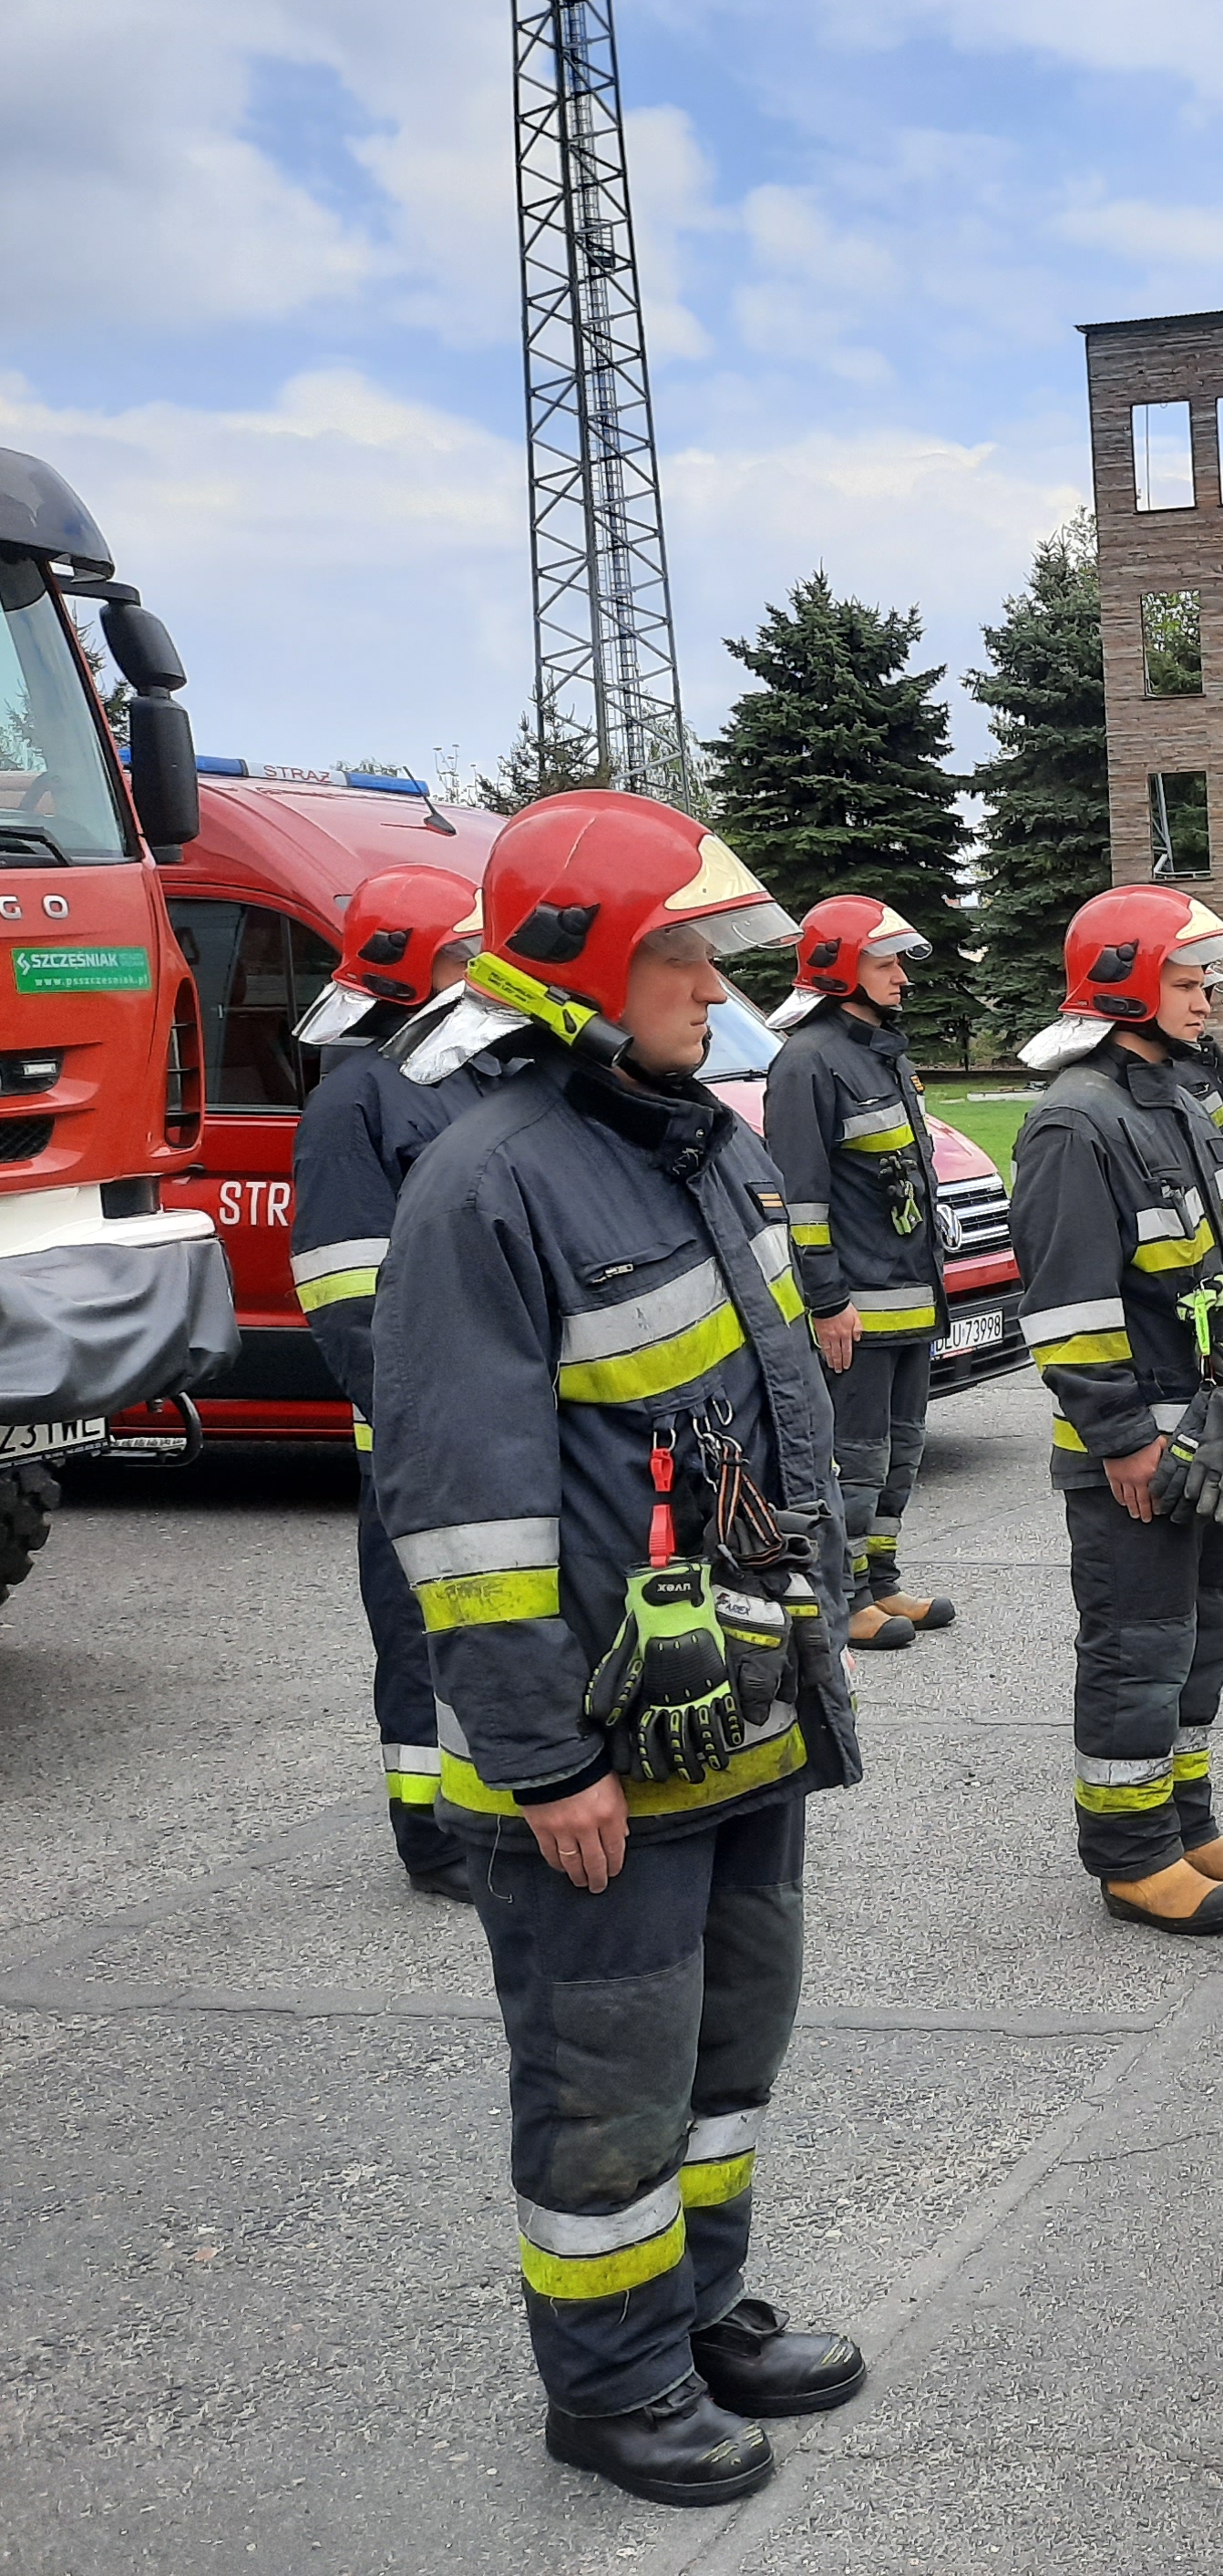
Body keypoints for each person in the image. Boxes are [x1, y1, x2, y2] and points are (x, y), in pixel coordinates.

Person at [372, 790, 866, 2506]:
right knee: (608, 2076)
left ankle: (699, 2314)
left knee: (726, 2047)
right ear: (580, 968)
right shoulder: (489, 1184)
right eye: (677, 953)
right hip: (598, 1748)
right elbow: (465, 1515)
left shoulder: (703, 1140)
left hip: (735, 1709)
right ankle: (610, 2385)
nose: (713, 984)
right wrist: (540, 1758)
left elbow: (769, 1422)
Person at [1009, 886, 1223, 1935]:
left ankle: (1185, 1824)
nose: (1205, 996)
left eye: (1205, 980)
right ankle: (1132, 1858)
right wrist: (1123, 1440)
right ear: (1124, 982)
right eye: (1184, 979)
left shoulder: (1172, 1095)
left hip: (1209, 1435)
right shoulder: (1075, 1120)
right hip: (1139, 1450)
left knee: (1199, 1639)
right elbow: (1069, 1310)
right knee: (1138, 1648)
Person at [289, 862, 492, 1900]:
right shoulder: (353, 1102)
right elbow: (345, 1292)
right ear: (412, 967)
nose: (484, 971)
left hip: (500, 1415)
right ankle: (435, 1835)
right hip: (422, 1429)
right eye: (466, 954)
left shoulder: (477, 1073)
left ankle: (501, 1804)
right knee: (422, 1632)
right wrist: (418, 1417)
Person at [765, 896, 951, 1654]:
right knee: (854, 1458)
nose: (903, 977)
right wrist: (826, 1300)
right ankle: (841, 1599)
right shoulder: (807, 1062)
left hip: (909, 1302)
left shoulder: (883, 1052)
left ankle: (880, 1579)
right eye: (886, 962)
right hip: (857, 1309)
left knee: (900, 1451)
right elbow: (800, 1201)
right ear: (840, 968)